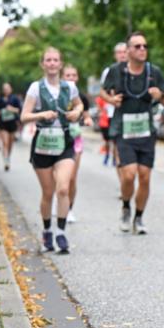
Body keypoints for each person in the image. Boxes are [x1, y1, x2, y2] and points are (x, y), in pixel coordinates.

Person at [101, 31, 164, 234]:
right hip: (124, 131)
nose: (142, 49)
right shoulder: (116, 71)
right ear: (128, 50)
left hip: (145, 132)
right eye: (138, 46)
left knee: (145, 177)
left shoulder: (153, 72)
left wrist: (160, 96)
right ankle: (125, 207)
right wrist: (110, 100)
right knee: (129, 175)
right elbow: (103, 91)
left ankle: (138, 217)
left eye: (145, 46)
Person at [21, 47, 83, 255]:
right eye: (48, 60)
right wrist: (41, 115)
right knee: (48, 193)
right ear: (43, 64)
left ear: (61, 63)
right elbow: (24, 116)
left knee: (63, 188)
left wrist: (76, 112)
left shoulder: (70, 87)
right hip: (43, 146)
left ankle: (61, 232)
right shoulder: (35, 88)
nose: (52, 63)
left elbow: (79, 105)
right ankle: (47, 229)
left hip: (64, 143)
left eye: (55, 60)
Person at [62, 64, 94, 223]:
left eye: (74, 75)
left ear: (77, 78)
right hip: (58, 139)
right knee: (61, 178)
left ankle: (69, 209)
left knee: (72, 178)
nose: (71, 78)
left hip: (76, 139)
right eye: (68, 75)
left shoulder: (81, 97)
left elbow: (87, 116)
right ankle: (60, 201)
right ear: (62, 77)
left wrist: (87, 120)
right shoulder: (56, 94)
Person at [99, 43, 127, 166]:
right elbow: (102, 91)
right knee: (115, 141)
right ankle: (115, 161)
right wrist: (111, 99)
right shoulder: (110, 70)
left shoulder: (136, 68)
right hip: (112, 113)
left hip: (131, 114)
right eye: (119, 52)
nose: (122, 54)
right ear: (115, 55)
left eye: (124, 51)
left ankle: (120, 162)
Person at [0, 83, 22, 171]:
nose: (6, 90)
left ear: (11, 89)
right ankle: (6, 161)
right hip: (3, 124)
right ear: (3, 90)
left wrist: (12, 109)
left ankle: (8, 157)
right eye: (4, 88)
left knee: (10, 143)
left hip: (12, 123)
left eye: (7, 88)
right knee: (5, 143)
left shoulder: (15, 99)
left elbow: (20, 110)